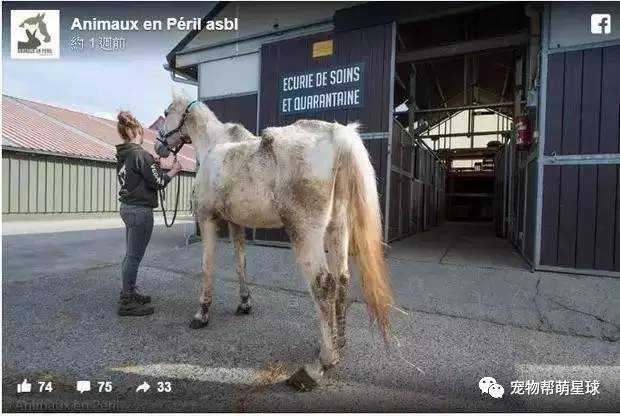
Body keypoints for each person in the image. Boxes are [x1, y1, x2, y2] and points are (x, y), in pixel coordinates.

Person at [115, 111, 182, 316]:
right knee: (134, 257)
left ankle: (130, 291)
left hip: (127, 208)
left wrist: (154, 168)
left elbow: (143, 178)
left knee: (130, 255)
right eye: (142, 132)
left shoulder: (124, 155)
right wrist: (173, 170)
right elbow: (159, 182)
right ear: (136, 131)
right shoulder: (141, 155)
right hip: (140, 212)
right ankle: (127, 301)